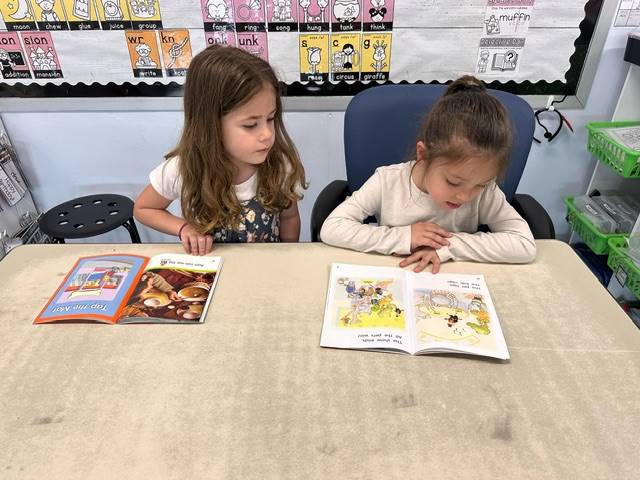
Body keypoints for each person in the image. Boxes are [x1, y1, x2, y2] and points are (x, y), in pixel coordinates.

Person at [320, 75, 536, 273]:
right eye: (453, 182)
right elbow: (332, 228)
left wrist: (449, 247)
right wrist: (404, 237)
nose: (465, 196)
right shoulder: (388, 181)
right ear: (423, 154)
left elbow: (524, 245)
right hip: (394, 275)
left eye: (481, 184)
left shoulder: (485, 191)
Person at [134, 45, 307, 254]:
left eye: (270, 119)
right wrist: (183, 228)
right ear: (210, 125)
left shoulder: (279, 165)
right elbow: (143, 208)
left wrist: (291, 257)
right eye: (251, 125)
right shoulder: (182, 169)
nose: (268, 134)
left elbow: (290, 218)